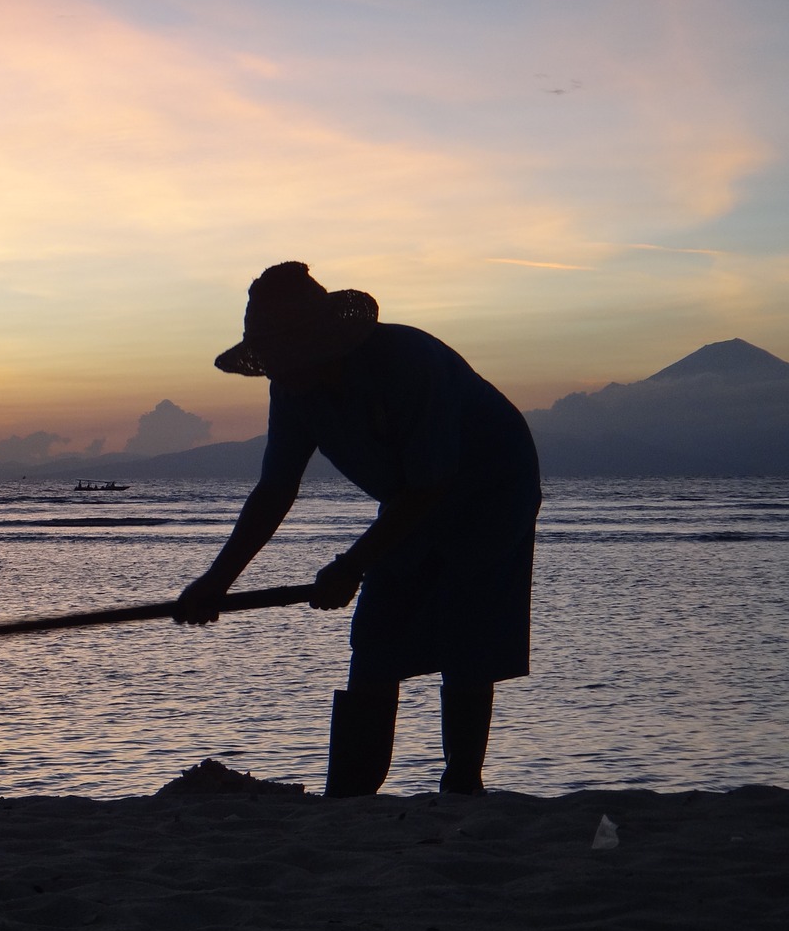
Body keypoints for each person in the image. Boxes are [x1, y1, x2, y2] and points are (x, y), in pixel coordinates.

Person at [173, 261, 541, 796]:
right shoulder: (293, 390)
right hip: (412, 497)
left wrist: (351, 566)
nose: (279, 373)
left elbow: (430, 484)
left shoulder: (407, 363)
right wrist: (216, 581)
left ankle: (462, 783)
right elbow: (275, 489)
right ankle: (350, 794)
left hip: (492, 489)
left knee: (467, 630)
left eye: (286, 358)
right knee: (375, 636)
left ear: (322, 342)